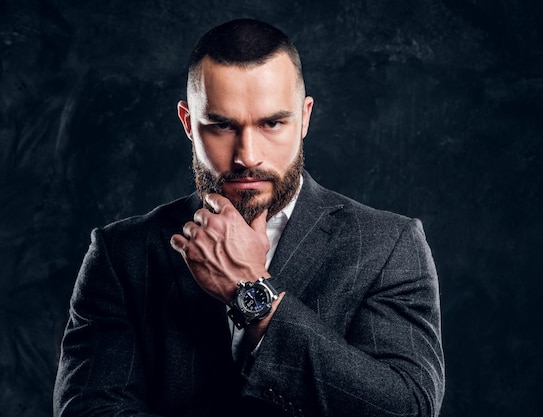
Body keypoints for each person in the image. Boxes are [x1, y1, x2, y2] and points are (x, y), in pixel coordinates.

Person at [53, 18, 445, 417]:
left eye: (272, 123)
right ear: (189, 123)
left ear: (304, 118)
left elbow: (408, 408)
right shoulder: (122, 254)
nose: (247, 155)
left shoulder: (389, 245)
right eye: (222, 125)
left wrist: (252, 293)